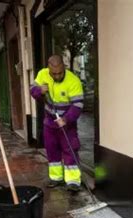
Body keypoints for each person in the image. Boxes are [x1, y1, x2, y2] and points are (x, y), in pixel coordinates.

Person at [30, 55, 84, 192]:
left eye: (60, 72)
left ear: (64, 67)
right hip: (50, 123)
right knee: (52, 150)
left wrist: (66, 119)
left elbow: (78, 105)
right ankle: (56, 178)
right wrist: (39, 90)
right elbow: (32, 90)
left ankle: (73, 181)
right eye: (54, 73)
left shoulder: (73, 81)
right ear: (48, 70)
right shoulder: (42, 74)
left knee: (70, 150)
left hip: (67, 125)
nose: (58, 76)